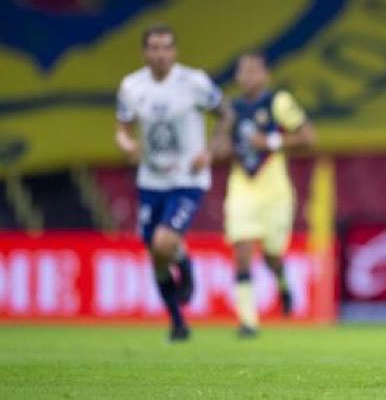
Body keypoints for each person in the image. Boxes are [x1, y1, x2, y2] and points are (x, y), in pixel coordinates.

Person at [115, 24, 231, 341]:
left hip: (187, 178)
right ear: (144, 52)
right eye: (154, 48)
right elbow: (123, 127)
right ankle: (178, 321)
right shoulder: (131, 86)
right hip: (150, 179)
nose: (160, 54)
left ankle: (186, 265)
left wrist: (211, 150)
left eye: (166, 47)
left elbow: (225, 113)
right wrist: (126, 144)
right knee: (156, 253)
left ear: (175, 51)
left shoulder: (194, 82)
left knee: (163, 242)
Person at [220, 53, 315, 337]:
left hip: (275, 191)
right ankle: (248, 321)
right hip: (242, 187)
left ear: (265, 75)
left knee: (272, 254)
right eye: (243, 71)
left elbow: (309, 136)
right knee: (243, 248)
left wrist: (270, 141)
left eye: (254, 71)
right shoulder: (230, 109)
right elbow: (219, 146)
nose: (248, 76)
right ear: (237, 77)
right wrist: (220, 147)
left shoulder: (279, 102)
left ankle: (283, 282)